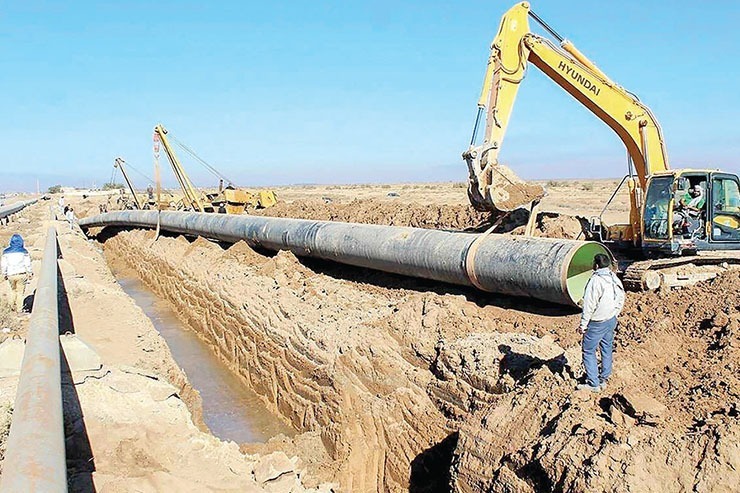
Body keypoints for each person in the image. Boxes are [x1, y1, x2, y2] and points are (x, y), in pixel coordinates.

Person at [577, 253, 625, 392]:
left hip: (597, 322)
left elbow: (589, 305)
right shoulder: (613, 277)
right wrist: (615, 313)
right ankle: (604, 377)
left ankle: (594, 384)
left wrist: (583, 325)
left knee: (588, 350)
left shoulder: (595, 281)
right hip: (610, 320)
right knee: (606, 348)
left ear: (596, 265)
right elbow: (621, 296)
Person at [1, 234, 33, 312]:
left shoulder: (6, 252)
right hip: (22, 274)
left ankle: (11, 307)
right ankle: (19, 309)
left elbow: (3, 265)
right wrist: (30, 272)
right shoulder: (24, 252)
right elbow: (27, 264)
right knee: (20, 292)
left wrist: (4, 273)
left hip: (11, 274)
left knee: (12, 290)